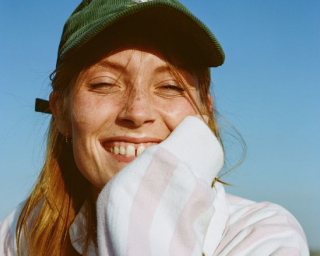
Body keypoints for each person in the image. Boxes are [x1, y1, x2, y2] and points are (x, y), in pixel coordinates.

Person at [0, 0, 309, 255]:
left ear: (204, 112)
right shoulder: (19, 235)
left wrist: (141, 212)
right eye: (105, 84)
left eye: (171, 87)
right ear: (62, 111)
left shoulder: (261, 236)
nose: (137, 111)